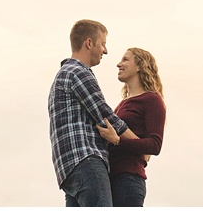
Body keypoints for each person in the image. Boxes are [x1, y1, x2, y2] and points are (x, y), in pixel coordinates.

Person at [49, 20, 139, 207]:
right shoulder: (78, 72)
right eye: (103, 44)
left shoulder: (63, 74)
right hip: (86, 160)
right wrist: (139, 146)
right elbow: (105, 116)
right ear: (89, 43)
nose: (105, 51)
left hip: (68, 169)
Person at [97, 48, 167, 207]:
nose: (118, 64)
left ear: (140, 66)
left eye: (125, 60)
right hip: (110, 178)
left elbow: (155, 145)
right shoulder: (122, 104)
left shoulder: (152, 100)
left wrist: (117, 140)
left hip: (128, 179)